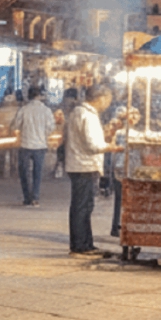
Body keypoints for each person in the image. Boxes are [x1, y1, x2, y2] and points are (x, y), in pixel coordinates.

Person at [65, 85, 121, 257]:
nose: (108, 103)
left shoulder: (81, 112)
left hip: (82, 164)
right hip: (84, 165)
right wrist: (111, 147)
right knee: (82, 206)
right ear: (101, 98)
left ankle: (86, 244)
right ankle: (80, 246)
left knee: (84, 206)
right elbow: (92, 144)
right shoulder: (86, 115)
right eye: (108, 99)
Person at [10, 86, 54, 206]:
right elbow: (51, 127)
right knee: (37, 173)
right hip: (40, 145)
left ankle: (27, 197)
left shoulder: (23, 110)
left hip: (25, 144)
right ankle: (35, 197)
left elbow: (15, 125)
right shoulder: (46, 110)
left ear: (28, 96)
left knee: (24, 172)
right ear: (39, 96)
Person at [0, 88, 22, 178]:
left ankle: (1, 172)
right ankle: (13, 171)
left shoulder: (1, 109)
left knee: (2, 154)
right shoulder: (16, 108)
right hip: (13, 133)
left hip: (3, 133)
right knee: (13, 154)